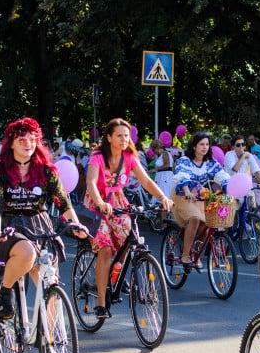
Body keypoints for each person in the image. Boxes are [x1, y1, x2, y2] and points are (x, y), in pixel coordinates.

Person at [0, 118, 87, 320]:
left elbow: (62, 201)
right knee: (27, 253)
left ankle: (48, 342)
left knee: (50, 281)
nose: (28, 144)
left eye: (32, 139)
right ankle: (5, 292)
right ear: (11, 143)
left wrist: (75, 223)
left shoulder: (46, 170)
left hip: (38, 224)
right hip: (8, 224)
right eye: (22, 139)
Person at [85, 118, 172, 318]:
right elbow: (90, 182)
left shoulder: (129, 157)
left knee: (128, 239)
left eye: (127, 135)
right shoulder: (98, 156)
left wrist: (162, 197)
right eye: (119, 135)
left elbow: (146, 180)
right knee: (106, 249)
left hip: (118, 202)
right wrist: (99, 202)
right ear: (109, 137)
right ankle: (100, 303)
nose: (124, 139)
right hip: (98, 204)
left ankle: (116, 271)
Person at [171, 131, 230, 269]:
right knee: (195, 219)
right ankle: (185, 255)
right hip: (182, 195)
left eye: (207, 144)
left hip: (199, 195)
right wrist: (186, 191)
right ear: (194, 146)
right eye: (201, 144)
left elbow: (221, 175)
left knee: (207, 223)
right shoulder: (185, 160)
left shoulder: (210, 162)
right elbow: (182, 175)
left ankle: (196, 253)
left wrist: (229, 187)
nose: (205, 147)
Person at [149, 138, 173, 223]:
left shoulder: (165, 154)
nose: (154, 152)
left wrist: (155, 169)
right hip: (162, 177)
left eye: (153, 149)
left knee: (162, 200)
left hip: (164, 178)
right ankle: (163, 222)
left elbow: (167, 165)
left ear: (156, 148)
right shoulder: (163, 155)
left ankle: (164, 223)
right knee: (161, 201)